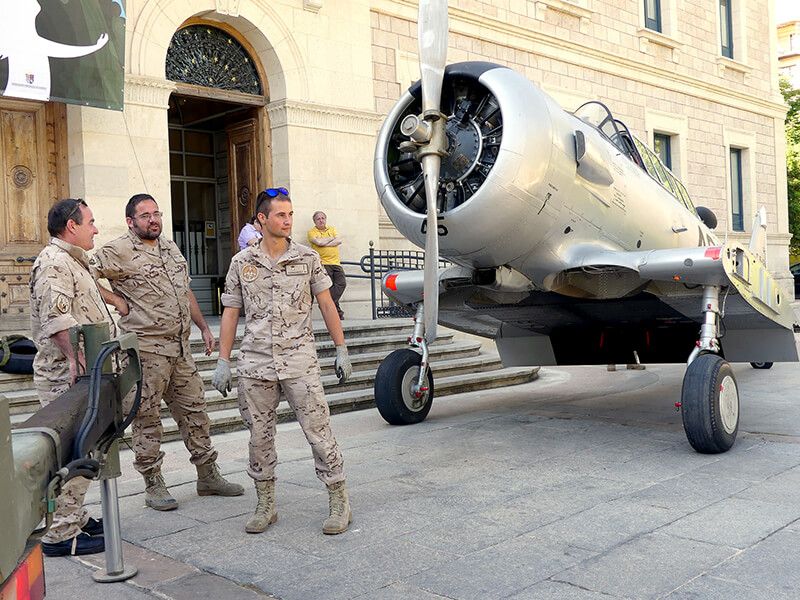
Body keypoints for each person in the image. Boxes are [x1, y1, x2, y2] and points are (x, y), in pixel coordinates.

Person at [212, 187, 354, 535]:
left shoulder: (307, 258)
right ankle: (266, 504)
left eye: (290, 214)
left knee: (318, 433)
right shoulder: (241, 263)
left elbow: (325, 304)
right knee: (259, 437)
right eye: (280, 215)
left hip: (299, 361)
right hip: (256, 363)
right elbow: (230, 313)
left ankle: (339, 499)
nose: (288, 220)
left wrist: (341, 348)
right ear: (261, 219)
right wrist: (223, 360)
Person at [90, 193, 244, 511]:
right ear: (131, 221)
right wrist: (116, 300)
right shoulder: (116, 250)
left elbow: (183, 288)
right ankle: (152, 482)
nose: (153, 219)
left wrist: (202, 326)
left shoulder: (169, 247)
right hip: (145, 350)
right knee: (146, 417)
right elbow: (84, 275)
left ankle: (207, 474)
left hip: (180, 348)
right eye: (145, 215)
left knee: (196, 413)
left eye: (156, 213)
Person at [29, 199, 110, 556]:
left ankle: (74, 516)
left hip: (81, 375)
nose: (96, 228)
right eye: (91, 222)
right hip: (67, 377)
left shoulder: (74, 260)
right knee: (73, 452)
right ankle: (61, 534)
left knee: (83, 447)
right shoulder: (54, 263)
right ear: (71, 226)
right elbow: (58, 320)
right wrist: (77, 361)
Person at [307, 211, 346, 320]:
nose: (321, 220)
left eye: (323, 218)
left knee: (341, 283)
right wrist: (331, 239)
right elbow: (318, 242)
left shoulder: (332, 229)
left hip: (336, 263)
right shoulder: (312, 232)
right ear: (314, 221)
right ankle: (337, 313)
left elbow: (339, 241)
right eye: (318, 219)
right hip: (323, 264)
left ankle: (326, 303)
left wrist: (324, 242)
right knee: (328, 288)